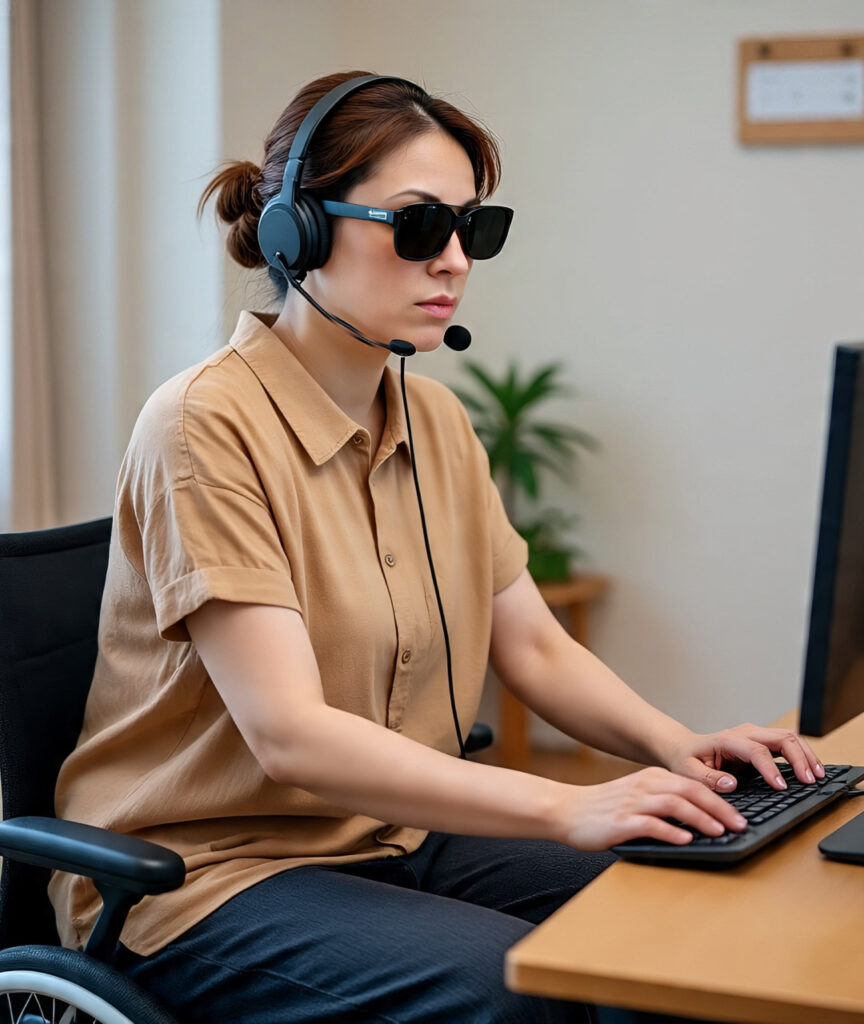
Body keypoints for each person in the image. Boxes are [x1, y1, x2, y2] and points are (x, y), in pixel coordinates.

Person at [50, 71, 823, 1024]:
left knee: (671, 903)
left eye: (475, 230)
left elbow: (533, 647)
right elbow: (289, 733)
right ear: (301, 231)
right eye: (419, 227)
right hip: (205, 876)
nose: (454, 260)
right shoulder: (203, 426)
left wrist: (677, 745)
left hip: (384, 836)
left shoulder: (436, 420)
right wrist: (561, 805)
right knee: (515, 985)